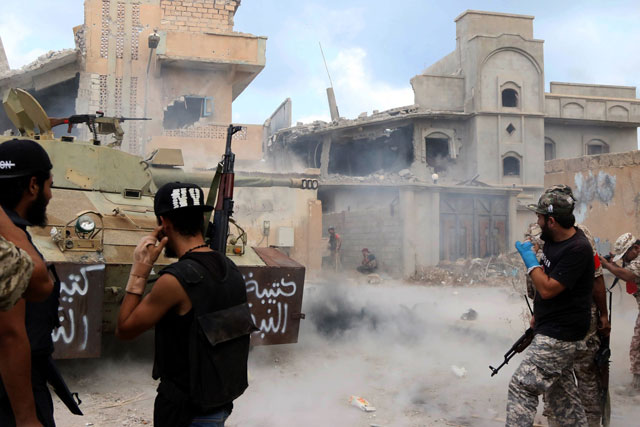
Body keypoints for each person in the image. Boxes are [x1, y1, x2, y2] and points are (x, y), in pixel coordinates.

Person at [116, 182, 254, 427]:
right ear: (201, 218)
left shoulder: (176, 280)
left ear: (163, 223)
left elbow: (125, 329)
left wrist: (139, 270)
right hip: (219, 405)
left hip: (185, 413)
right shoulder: (229, 268)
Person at [507, 186, 595, 426]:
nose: (537, 220)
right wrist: (538, 316)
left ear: (552, 220)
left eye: (540, 217)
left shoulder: (578, 249)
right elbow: (545, 293)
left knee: (522, 386)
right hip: (551, 326)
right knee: (562, 398)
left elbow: (547, 288)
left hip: (561, 334)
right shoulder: (552, 240)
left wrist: (530, 261)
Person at [525, 220, 610, 426]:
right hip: (583, 320)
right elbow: (597, 280)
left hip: (551, 324)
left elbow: (533, 291)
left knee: (555, 381)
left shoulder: (534, 241)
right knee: (588, 378)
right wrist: (603, 315)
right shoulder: (581, 236)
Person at [0, 139, 57, 427]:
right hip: (12, 394)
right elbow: (10, 336)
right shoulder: (10, 246)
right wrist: (26, 418)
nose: (50, 194)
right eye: (49, 185)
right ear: (33, 186)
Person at [599, 232, 640, 393]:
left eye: (625, 256)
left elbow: (628, 274)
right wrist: (611, 263)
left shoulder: (638, 261)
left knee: (637, 345)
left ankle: (637, 386)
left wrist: (607, 265)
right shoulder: (634, 261)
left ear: (636, 248)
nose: (625, 260)